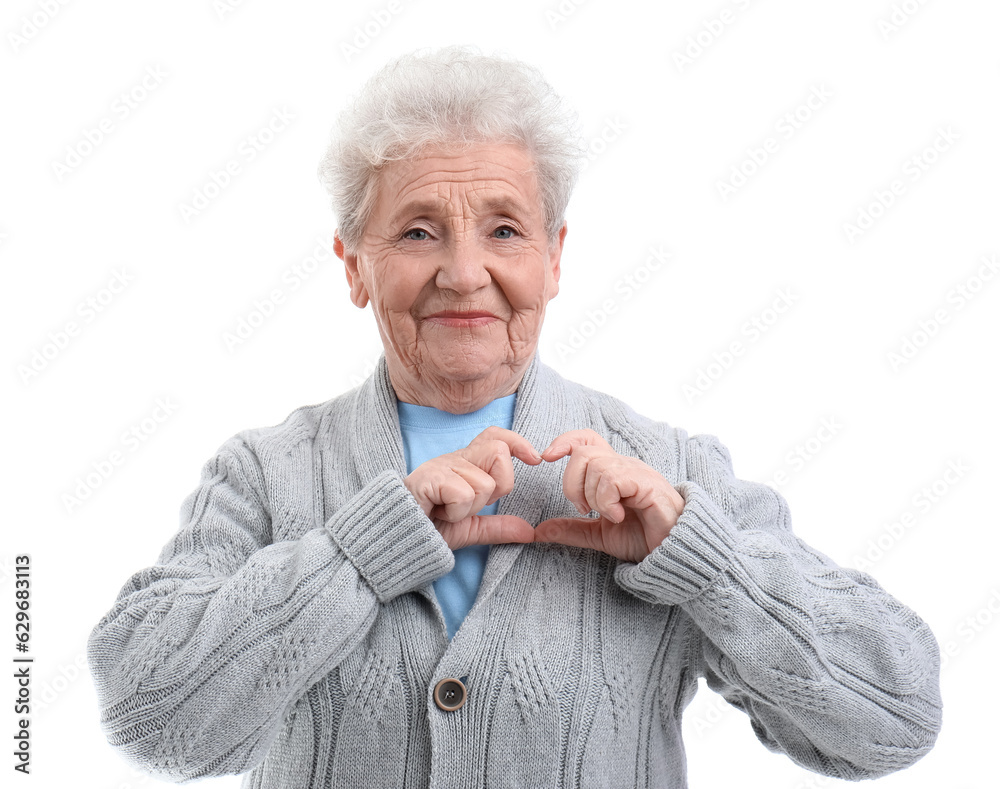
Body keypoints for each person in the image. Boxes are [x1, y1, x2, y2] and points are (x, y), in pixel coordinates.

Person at [88, 46, 942, 788]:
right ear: (354, 266)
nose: (464, 273)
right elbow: (151, 720)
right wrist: (358, 549)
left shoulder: (671, 472)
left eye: (503, 229)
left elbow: (894, 717)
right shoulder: (265, 474)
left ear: (554, 256)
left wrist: (701, 558)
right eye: (419, 232)